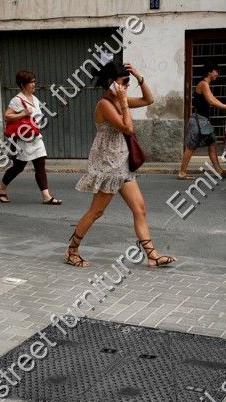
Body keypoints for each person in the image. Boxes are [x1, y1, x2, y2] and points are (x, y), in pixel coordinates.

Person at [64, 61, 177, 268]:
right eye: (124, 81)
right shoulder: (105, 104)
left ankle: (152, 256)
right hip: (109, 164)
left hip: (122, 164)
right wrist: (124, 100)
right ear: (111, 82)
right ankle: (72, 250)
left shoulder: (118, 100)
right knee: (96, 212)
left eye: (128, 82)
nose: (126, 85)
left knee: (140, 209)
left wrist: (139, 77)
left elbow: (148, 99)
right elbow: (127, 128)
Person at [0, 70, 62, 205]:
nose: (34, 84)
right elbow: (7, 115)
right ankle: (1, 188)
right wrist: (23, 113)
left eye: (34, 81)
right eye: (31, 82)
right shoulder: (17, 100)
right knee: (18, 167)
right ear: (22, 84)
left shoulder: (35, 98)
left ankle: (46, 196)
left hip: (36, 138)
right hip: (23, 140)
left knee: (40, 165)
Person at [179, 61, 226, 180]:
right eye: (216, 71)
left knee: (212, 145)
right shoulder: (203, 84)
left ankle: (219, 171)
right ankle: (182, 172)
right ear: (210, 72)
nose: (217, 74)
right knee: (191, 147)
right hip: (198, 121)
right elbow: (211, 101)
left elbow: (213, 99)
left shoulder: (206, 85)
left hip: (205, 121)